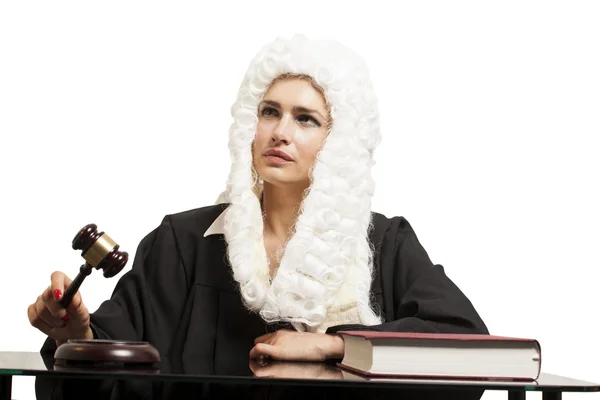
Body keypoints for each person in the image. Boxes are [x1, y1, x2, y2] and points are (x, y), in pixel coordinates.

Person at [28, 35, 488, 399]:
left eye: (305, 118)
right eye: (270, 112)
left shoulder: (384, 244)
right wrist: (78, 333)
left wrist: (334, 344)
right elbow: (111, 374)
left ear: (340, 140)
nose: (280, 132)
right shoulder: (182, 243)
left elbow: (464, 344)